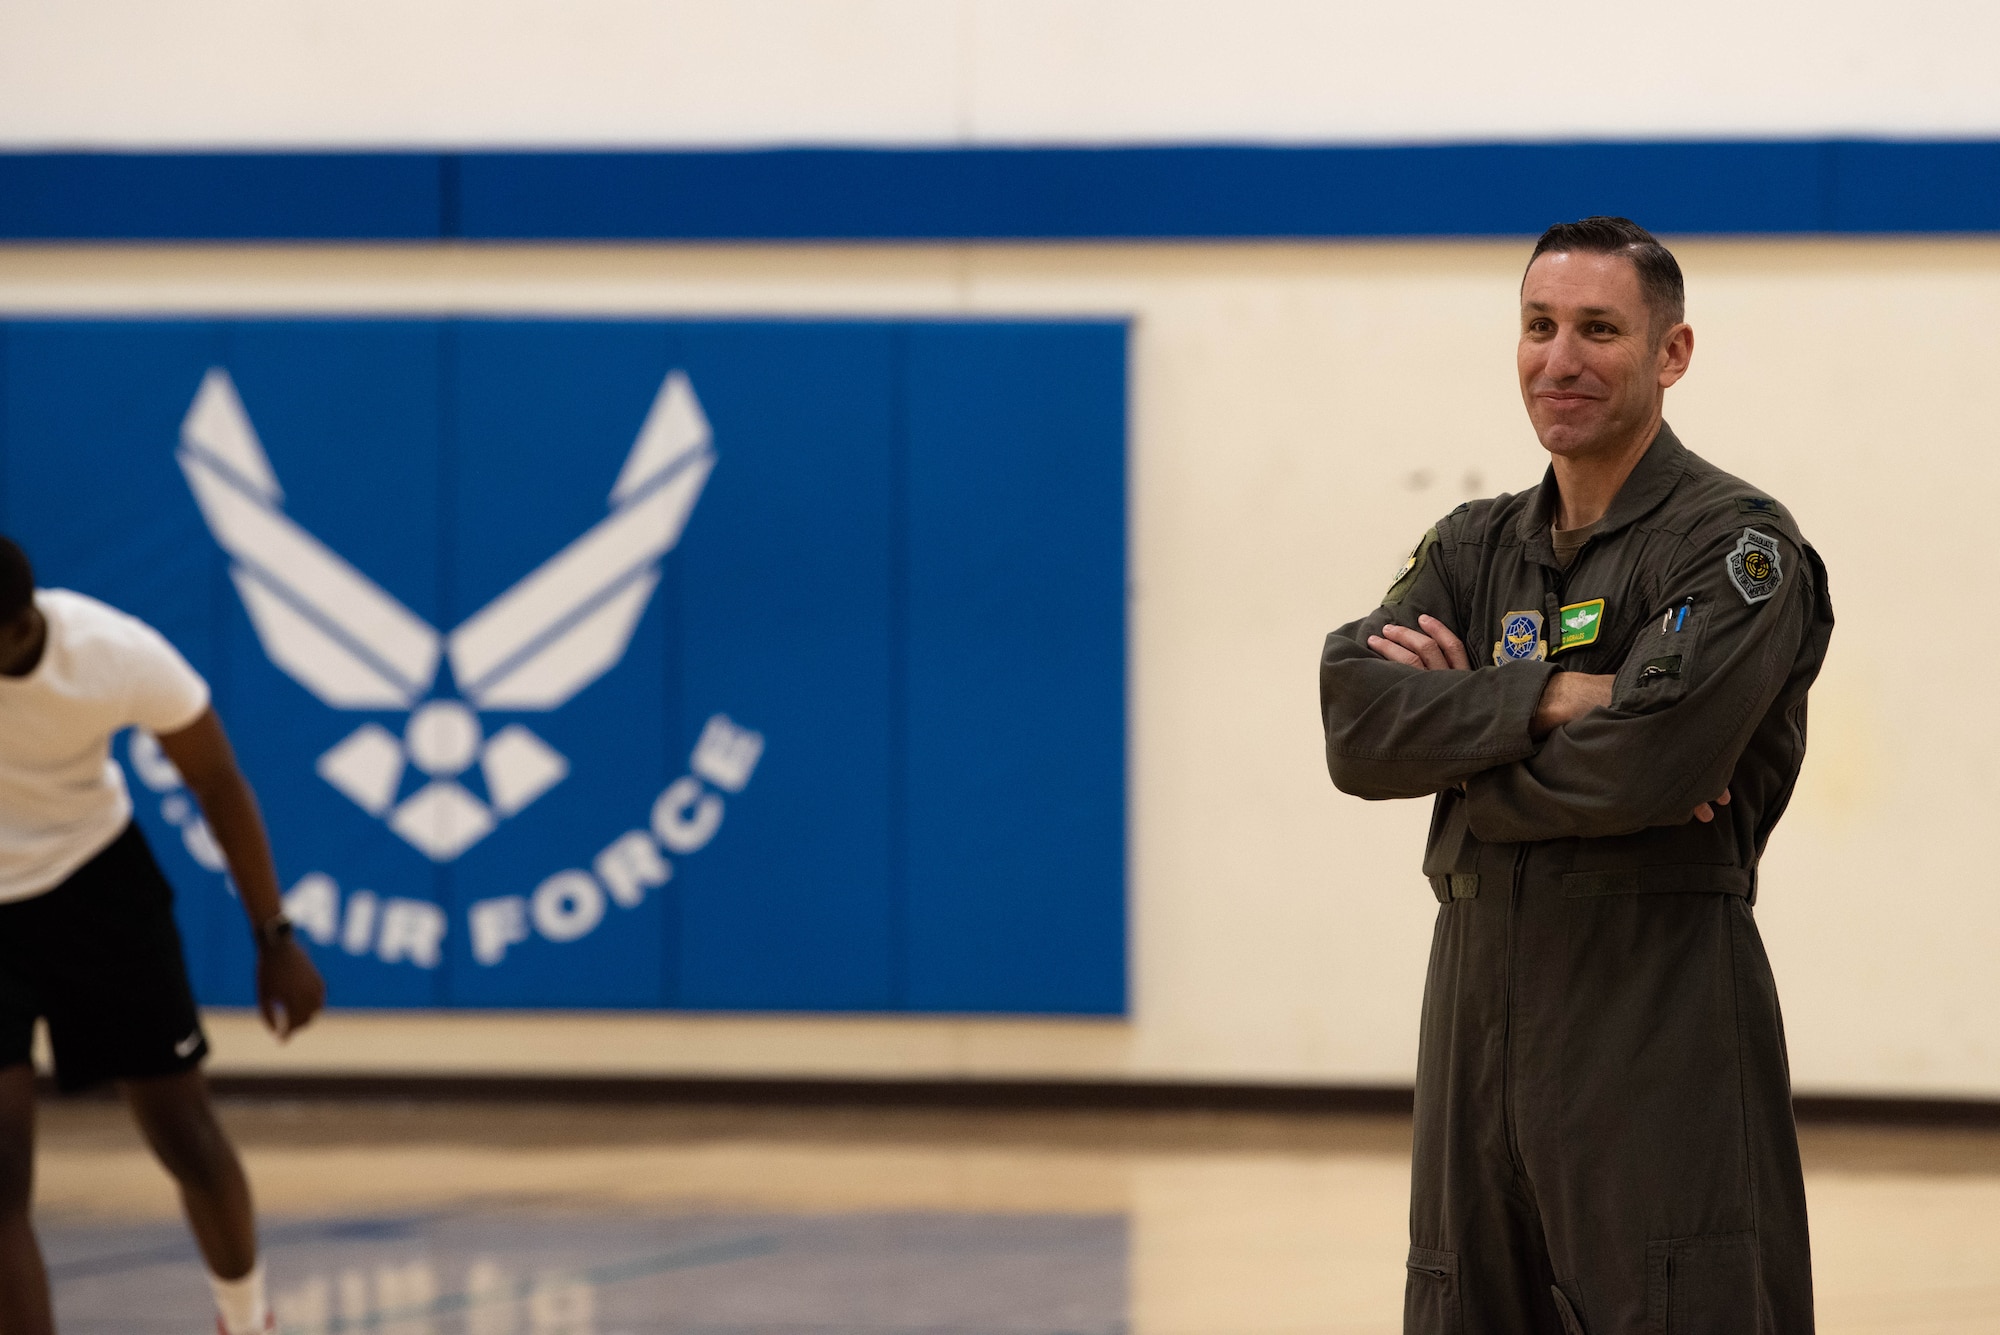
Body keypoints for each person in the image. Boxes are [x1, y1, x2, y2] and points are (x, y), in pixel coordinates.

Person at [1320, 217, 1833, 1333]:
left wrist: (1457, 765)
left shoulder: (1732, 544)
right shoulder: (1471, 545)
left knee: (1676, 1301)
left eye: (1599, 329)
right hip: (1473, 1016)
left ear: (1670, 352)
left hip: (1650, 1011)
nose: (1559, 359)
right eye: (1537, 327)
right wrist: (1553, 697)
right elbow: (1356, 724)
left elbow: (1649, 765)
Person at [0, 535, 325, 1335]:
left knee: (183, 1130)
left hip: (96, 888)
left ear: (15, 629)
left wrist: (274, 937)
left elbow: (216, 780)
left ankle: (246, 1318)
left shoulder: (111, 653)